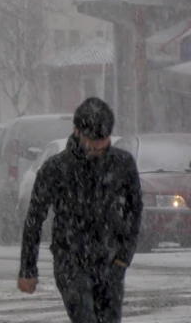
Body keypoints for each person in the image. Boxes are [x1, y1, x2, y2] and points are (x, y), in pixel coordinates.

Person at [17, 97, 143, 323]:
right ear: (76, 131)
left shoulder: (122, 165)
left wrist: (124, 257)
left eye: (102, 140)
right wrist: (28, 269)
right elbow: (34, 219)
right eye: (92, 139)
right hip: (70, 261)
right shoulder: (56, 169)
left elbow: (135, 210)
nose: (97, 146)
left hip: (110, 262)